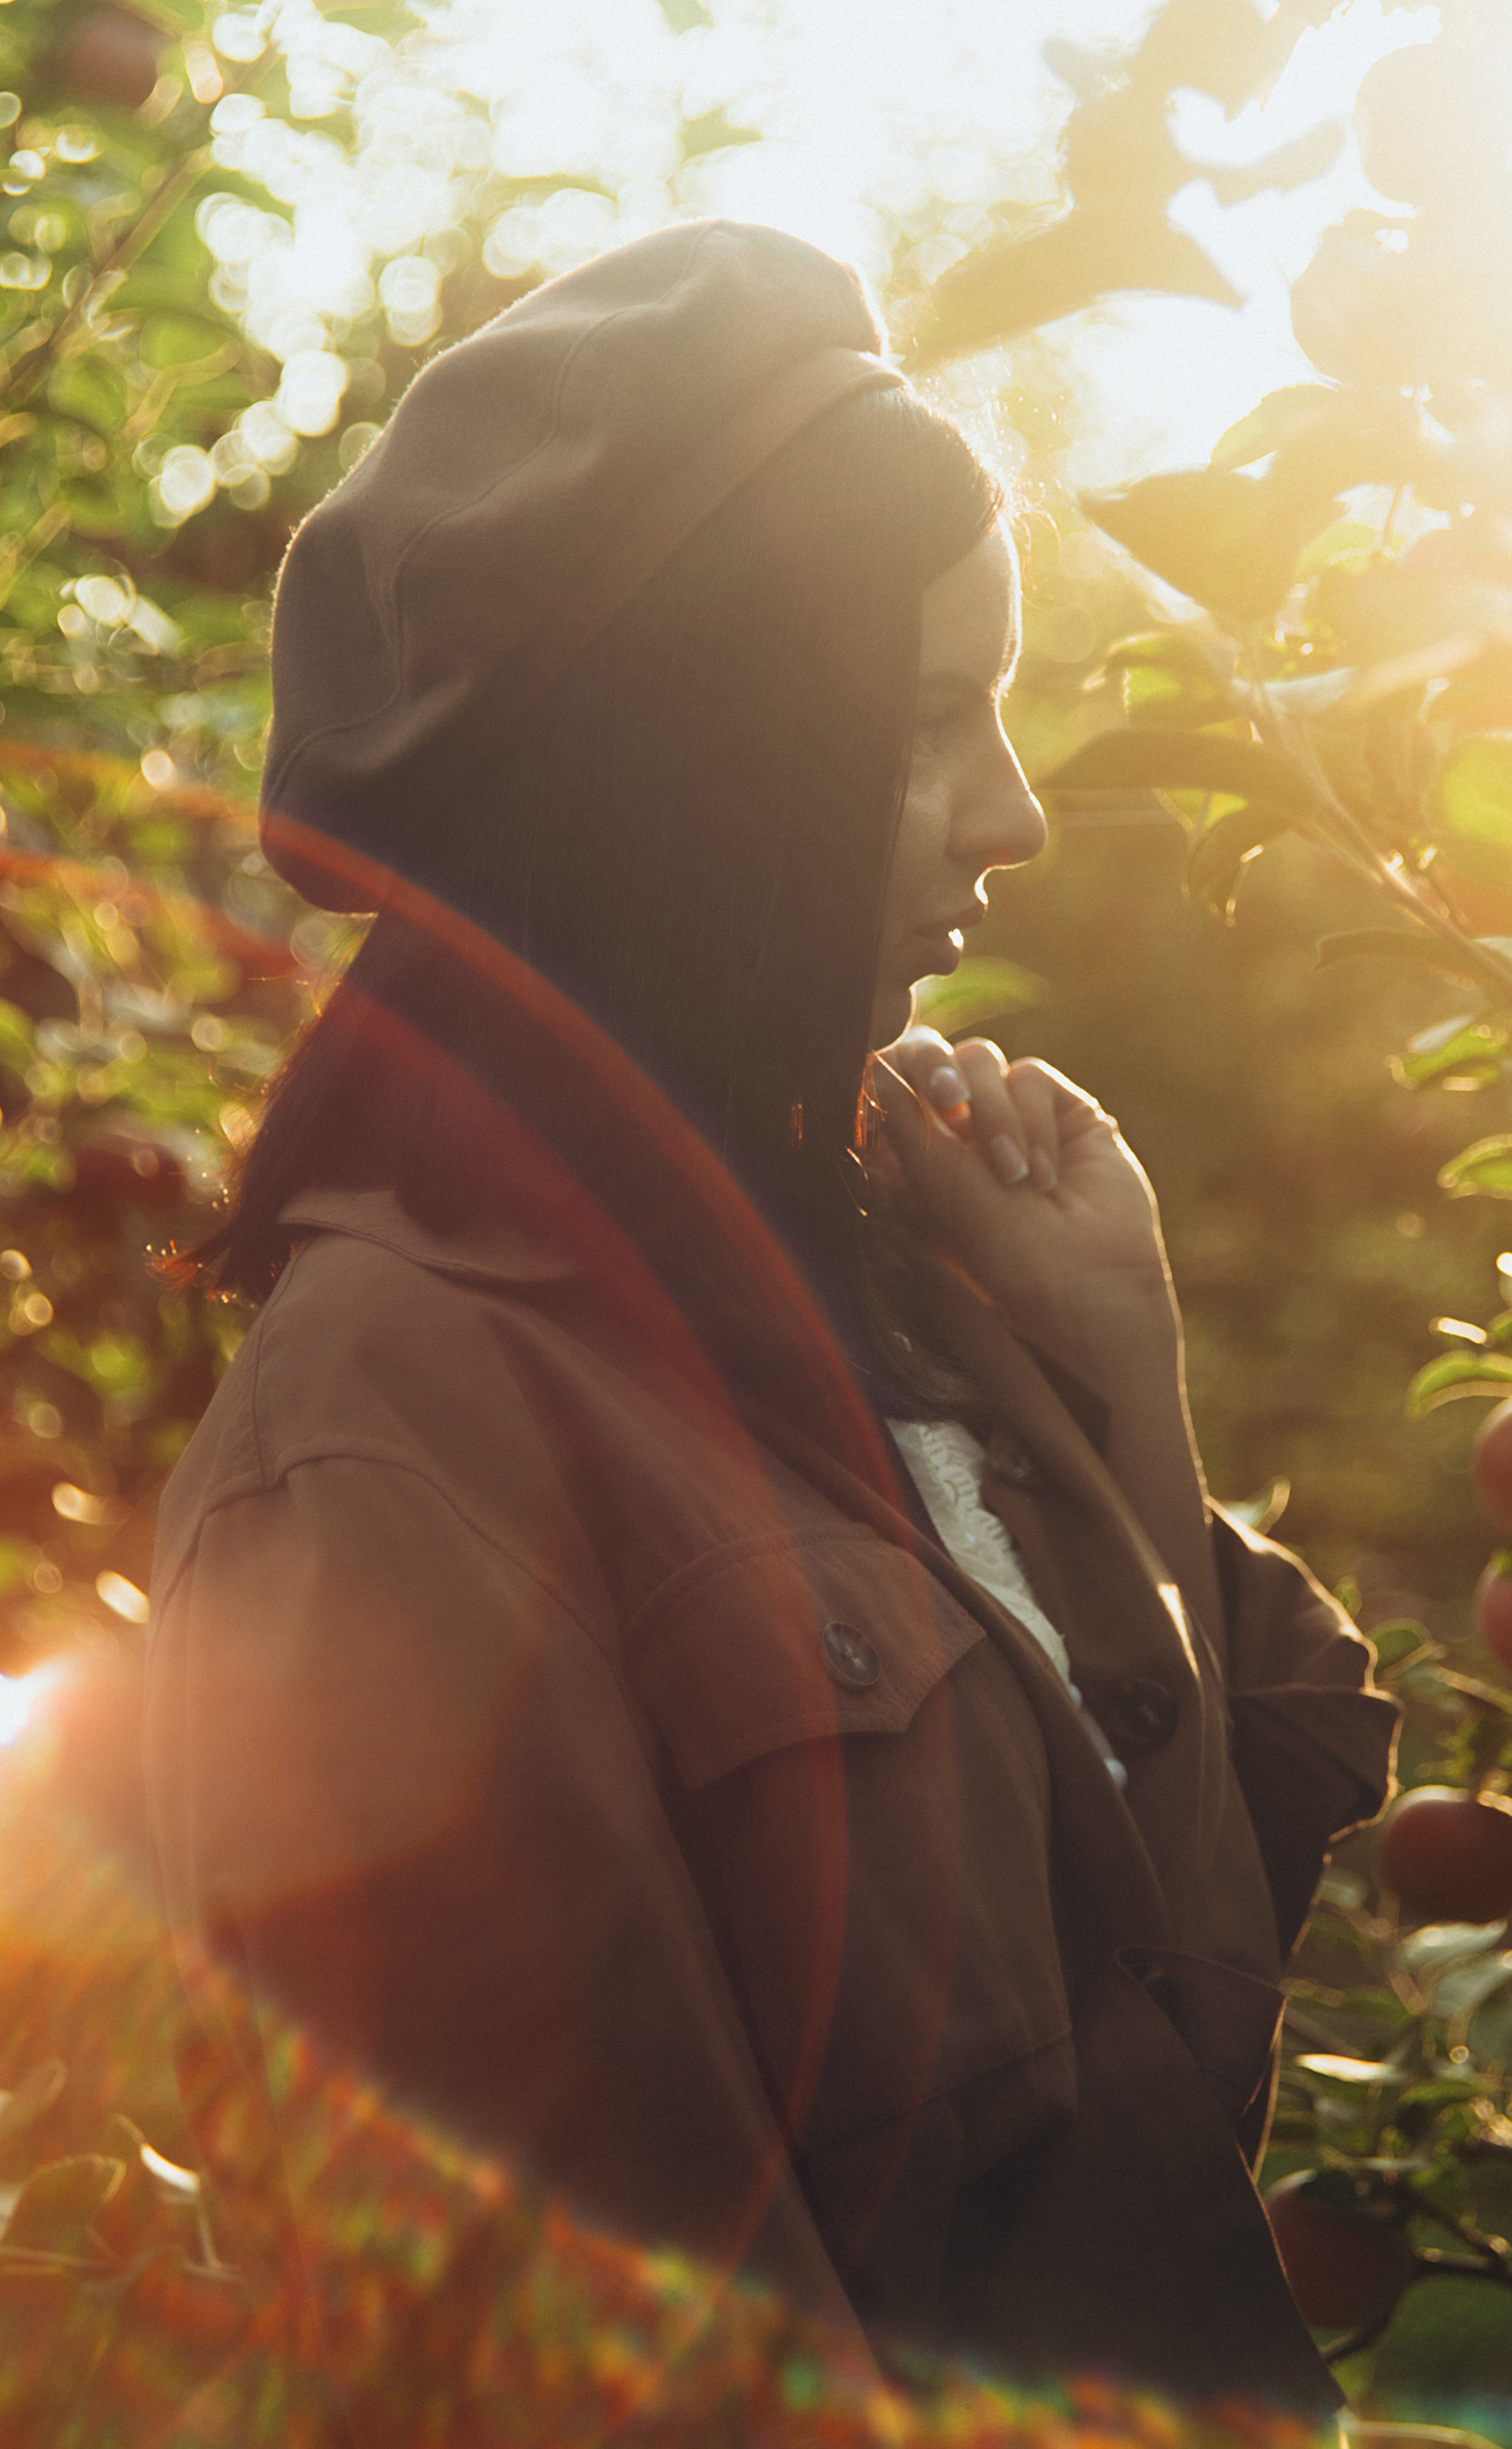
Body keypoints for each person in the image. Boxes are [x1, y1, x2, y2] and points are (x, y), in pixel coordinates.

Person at [144, 220, 1398, 2426]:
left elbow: (1192, 1976)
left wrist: (1126, 1371)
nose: (1016, 814)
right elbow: (576, 2368)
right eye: (928, 726)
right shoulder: (393, 1438)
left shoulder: (893, 1284)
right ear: (687, 780)